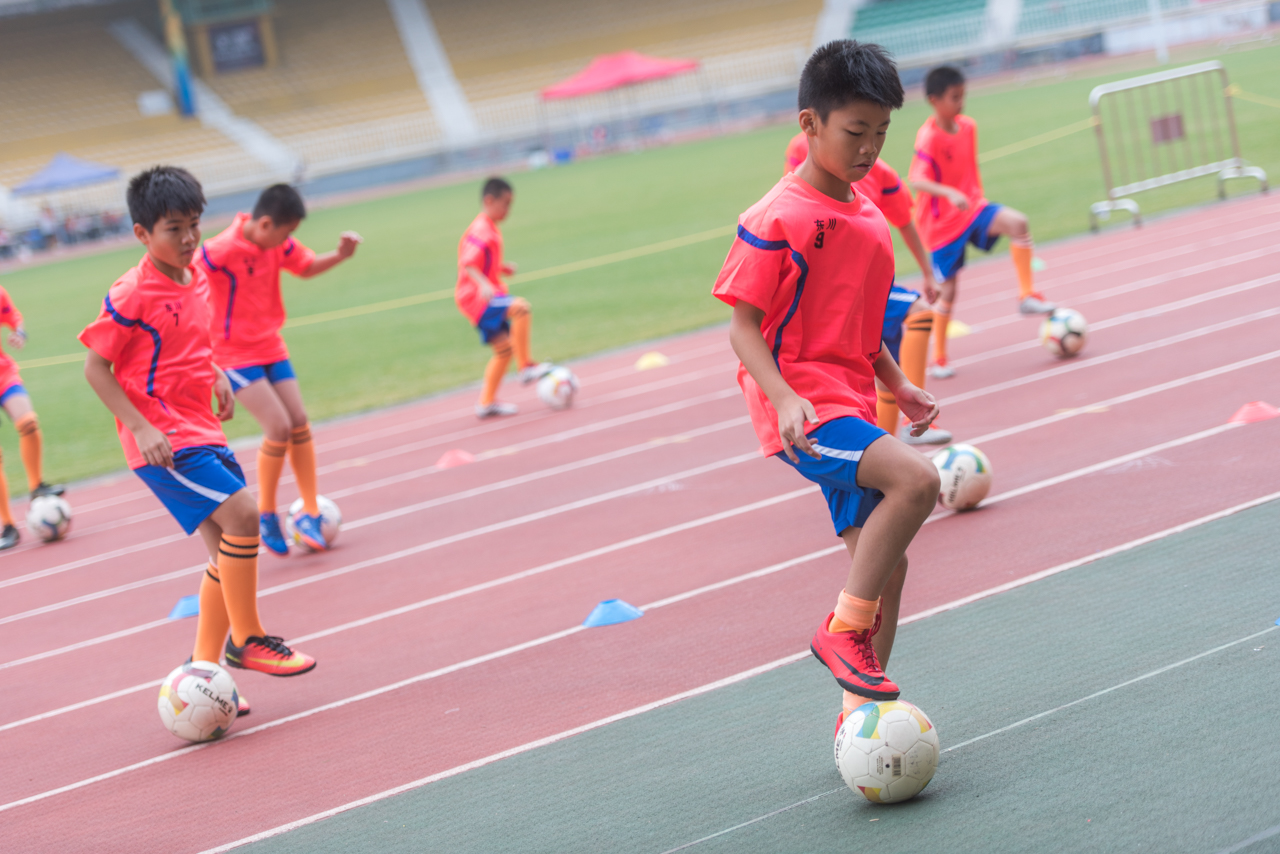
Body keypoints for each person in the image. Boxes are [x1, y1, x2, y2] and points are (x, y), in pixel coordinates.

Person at [715, 41, 941, 734]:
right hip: (805, 409)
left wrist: (899, 384)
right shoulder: (775, 218)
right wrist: (784, 397)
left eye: (881, 133)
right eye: (855, 132)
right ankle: (840, 633)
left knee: (889, 569)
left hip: (850, 398)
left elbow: (861, 325)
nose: (870, 148)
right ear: (809, 125)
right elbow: (741, 328)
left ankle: (861, 717)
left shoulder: (870, 219)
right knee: (918, 481)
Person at [80, 167, 316, 713]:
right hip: (163, 439)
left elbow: (194, 338)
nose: (188, 239)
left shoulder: (196, 275)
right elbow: (96, 369)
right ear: (142, 234)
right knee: (244, 516)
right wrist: (140, 426)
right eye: (172, 229)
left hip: (200, 426)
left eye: (193, 225)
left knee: (223, 559)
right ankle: (247, 640)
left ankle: (204, 675)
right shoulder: (132, 291)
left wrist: (214, 375)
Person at [199, 184, 361, 556]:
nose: (289, 242)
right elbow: (186, 280)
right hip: (233, 353)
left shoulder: (278, 244)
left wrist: (339, 255)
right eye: (286, 234)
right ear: (267, 223)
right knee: (278, 426)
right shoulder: (219, 252)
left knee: (299, 420)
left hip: (270, 344)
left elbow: (304, 267)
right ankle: (267, 513)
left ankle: (310, 511)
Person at [785, 134, 950, 445]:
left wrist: (928, 273)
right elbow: (794, 203)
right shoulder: (804, 149)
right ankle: (900, 430)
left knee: (884, 372)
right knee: (916, 318)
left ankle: (894, 439)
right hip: (835, 288)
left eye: (880, 131)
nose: (869, 145)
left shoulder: (882, 172)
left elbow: (904, 221)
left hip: (869, 286)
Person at [909, 65, 1055, 379]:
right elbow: (916, 179)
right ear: (934, 100)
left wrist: (971, 197)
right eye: (954, 97)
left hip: (973, 209)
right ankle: (939, 357)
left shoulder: (969, 127)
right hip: (941, 226)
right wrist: (948, 192)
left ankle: (1026, 296)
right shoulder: (929, 137)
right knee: (948, 291)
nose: (961, 102)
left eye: (963, 95)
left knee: (1018, 223)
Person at [456, 177, 550, 418]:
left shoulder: (488, 227)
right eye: (505, 203)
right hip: (476, 298)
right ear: (489, 200)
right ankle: (526, 367)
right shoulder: (482, 229)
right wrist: (484, 283)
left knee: (504, 350)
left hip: (477, 295)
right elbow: (468, 263)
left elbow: (482, 263)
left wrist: (500, 268)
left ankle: (486, 403)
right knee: (521, 309)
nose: (508, 209)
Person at [0, 281, 65, 549]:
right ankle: (7, 525)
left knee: (28, 422)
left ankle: (36, 485)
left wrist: (20, 332)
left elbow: (12, 315)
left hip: (3, 373)